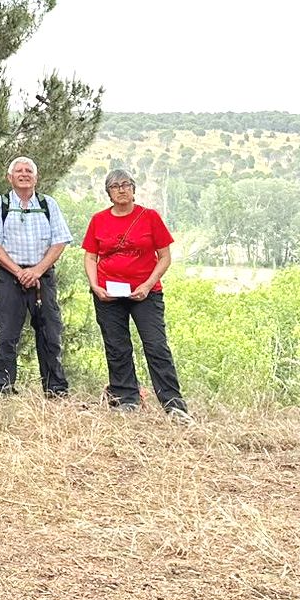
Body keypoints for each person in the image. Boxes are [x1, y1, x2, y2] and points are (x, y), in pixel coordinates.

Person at [82, 169, 187, 418]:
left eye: (126, 184)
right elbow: (90, 256)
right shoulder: (98, 220)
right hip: (108, 293)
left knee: (156, 346)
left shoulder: (149, 217)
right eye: (115, 186)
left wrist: (148, 285)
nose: (121, 189)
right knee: (116, 347)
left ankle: (173, 405)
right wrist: (95, 285)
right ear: (108, 193)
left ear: (133, 188)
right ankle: (126, 399)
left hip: (145, 292)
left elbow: (165, 257)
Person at [0, 156, 73, 397]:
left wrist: (37, 270)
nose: (24, 174)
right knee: (7, 334)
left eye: (28, 170)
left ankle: (55, 390)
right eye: (19, 171)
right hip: (9, 277)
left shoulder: (48, 204)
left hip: (43, 277)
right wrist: (19, 272)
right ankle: (3, 389)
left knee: (50, 333)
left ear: (36, 177)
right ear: (9, 177)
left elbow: (60, 241)